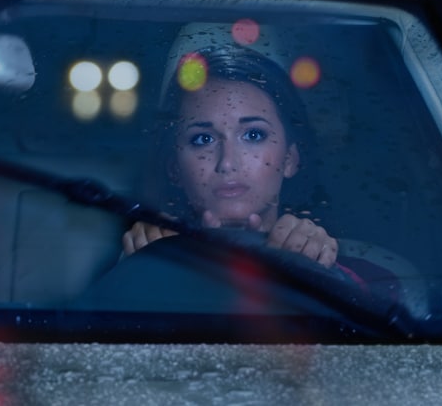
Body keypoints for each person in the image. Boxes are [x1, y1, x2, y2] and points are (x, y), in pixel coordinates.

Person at [121, 41, 344, 269]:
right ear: (174, 168)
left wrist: (317, 267)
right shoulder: (147, 262)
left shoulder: (349, 274)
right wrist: (139, 268)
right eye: (203, 139)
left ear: (290, 158)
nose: (227, 163)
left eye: (254, 135)